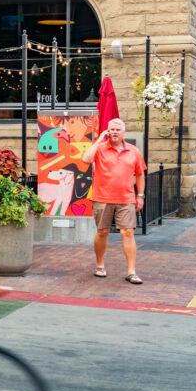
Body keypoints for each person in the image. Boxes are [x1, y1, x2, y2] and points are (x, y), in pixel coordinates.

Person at [83, 118, 146, 284]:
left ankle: (131, 271)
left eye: (118, 129)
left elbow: (140, 174)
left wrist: (140, 195)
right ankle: (99, 265)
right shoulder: (100, 148)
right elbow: (86, 159)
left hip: (126, 199)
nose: (115, 132)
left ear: (123, 132)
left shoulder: (133, 151)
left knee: (128, 232)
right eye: (111, 129)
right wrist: (98, 140)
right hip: (102, 198)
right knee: (102, 232)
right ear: (107, 131)